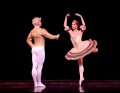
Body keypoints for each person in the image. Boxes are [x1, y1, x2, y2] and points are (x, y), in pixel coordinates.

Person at [63, 13, 98, 86]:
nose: (73, 25)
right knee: (80, 62)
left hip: (82, 46)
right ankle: (81, 77)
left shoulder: (80, 31)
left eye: (74, 24)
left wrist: (80, 16)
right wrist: (66, 17)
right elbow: (65, 25)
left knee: (95, 50)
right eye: (72, 24)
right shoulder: (70, 32)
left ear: (77, 25)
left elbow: (84, 24)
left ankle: (92, 50)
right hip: (76, 49)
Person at [26, 17, 60, 87]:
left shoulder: (32, 31)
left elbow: (28, 40)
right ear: (38, 23)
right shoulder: (42, 30)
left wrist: (32, 46)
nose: (41, 22)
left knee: (34, 66)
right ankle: (39, 82)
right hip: (40, 48)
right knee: (40, 66)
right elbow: (49, 36)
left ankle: (35, 83)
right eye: (40, 21)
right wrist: (56, 36)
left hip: (34, 48)